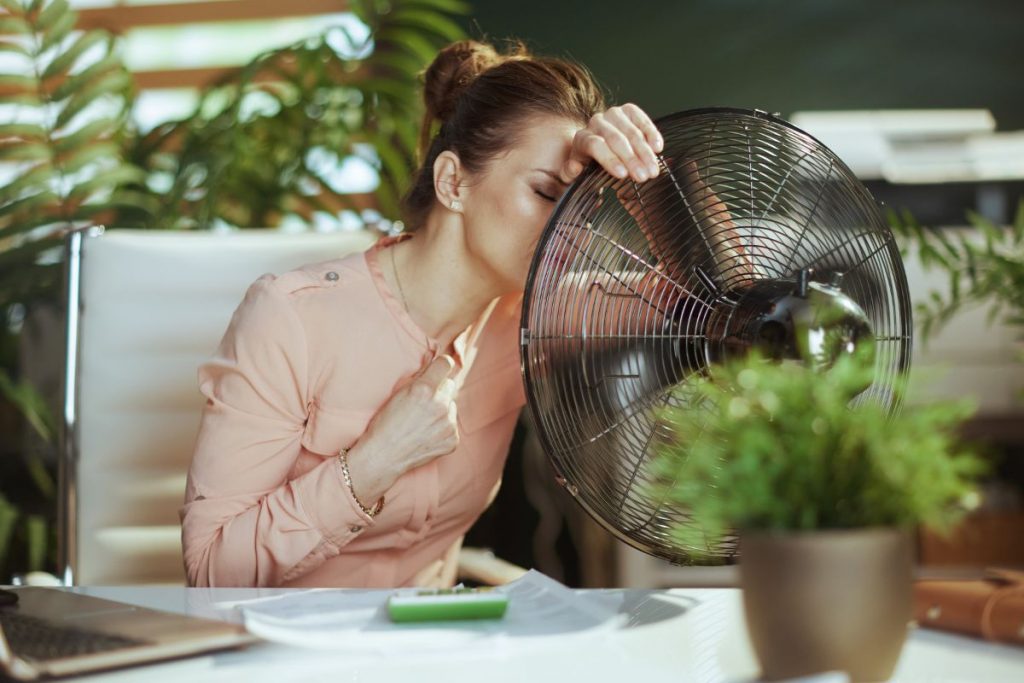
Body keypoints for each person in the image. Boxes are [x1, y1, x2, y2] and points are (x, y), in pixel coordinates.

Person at [179, 39, 664, 588]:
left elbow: (716, 307)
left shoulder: (533, 314)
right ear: (453, 182)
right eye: (548, 192)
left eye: (584, 207)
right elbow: (212, 572)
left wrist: (650, 181)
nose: (569, 230)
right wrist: (369, 465)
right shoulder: (289, 320)